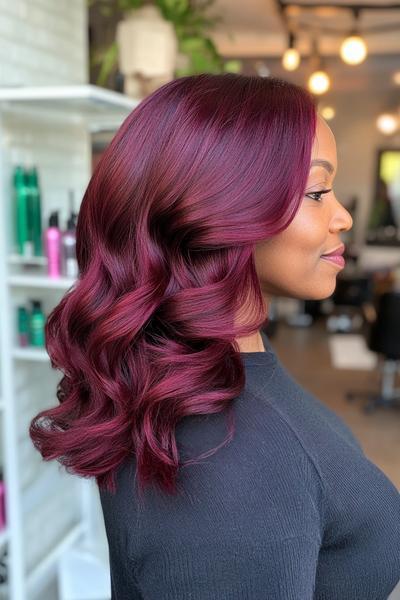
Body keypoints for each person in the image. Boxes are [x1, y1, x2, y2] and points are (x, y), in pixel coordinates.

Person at [29, 74, 400, 599]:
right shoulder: (225, 460)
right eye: (317, 191)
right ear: (220, 209)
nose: (341, 216)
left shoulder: (213, 365)